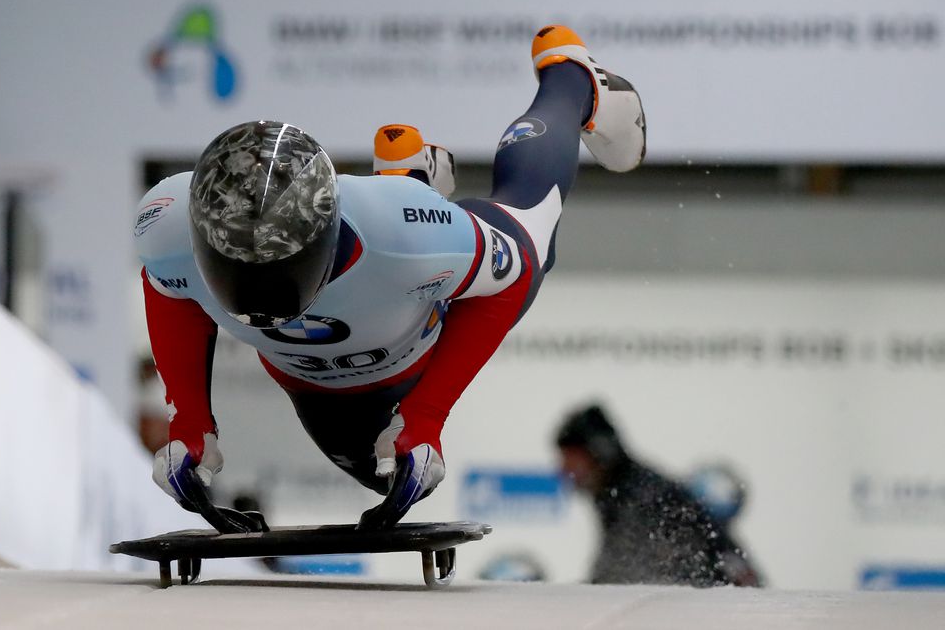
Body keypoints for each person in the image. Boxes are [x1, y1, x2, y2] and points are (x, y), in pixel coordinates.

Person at [134, 26, 646, 528]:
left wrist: (426, 415)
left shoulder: (403, 240)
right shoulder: (166, 227)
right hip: (329, 372)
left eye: (276, 271)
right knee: (387, 482)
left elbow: (514, 276)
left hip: (416, 304)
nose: (260, 300)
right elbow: (167, 286)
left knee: (532, 226)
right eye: (233, 267)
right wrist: (190, 419)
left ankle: (569, 78)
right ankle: (408, 180)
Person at [554, 404, 763, 587]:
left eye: (572, 459)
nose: (564, 470)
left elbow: (619, 583)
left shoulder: (641, 500)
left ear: (600, 452)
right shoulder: (625, 492)